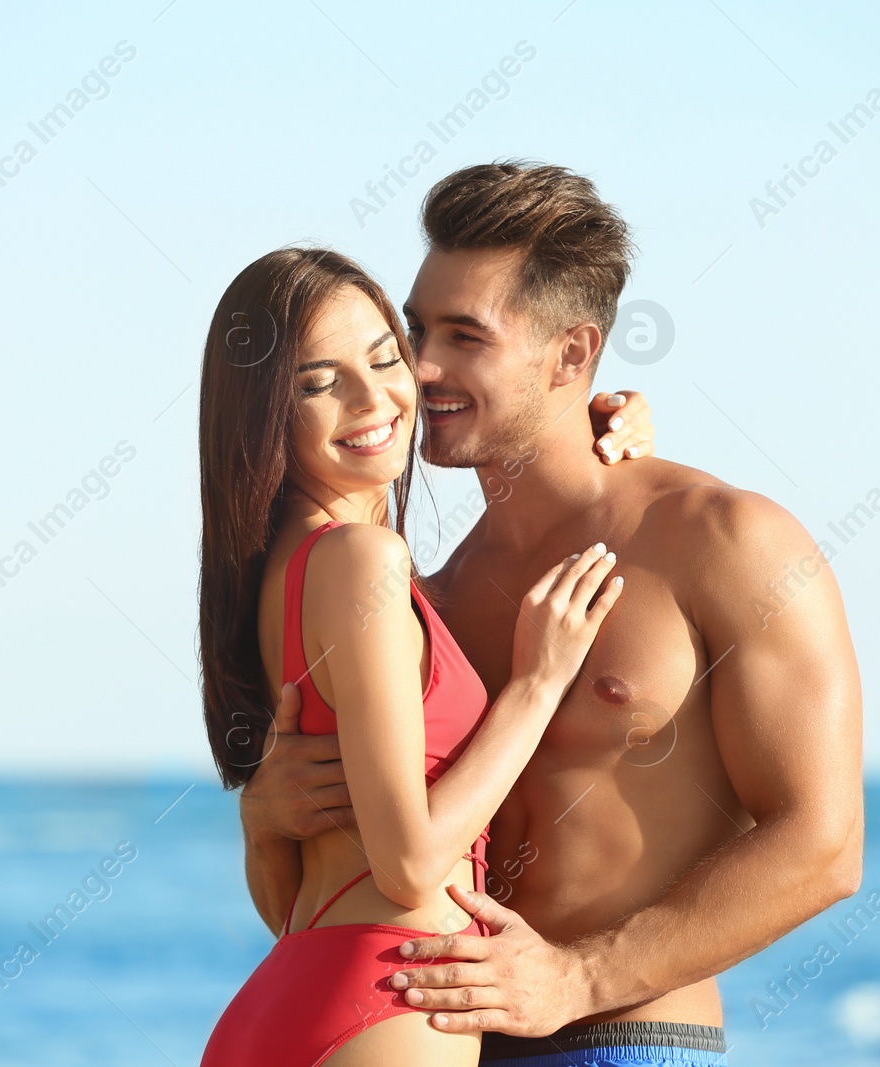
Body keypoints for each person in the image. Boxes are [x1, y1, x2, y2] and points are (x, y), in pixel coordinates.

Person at [241, 162, 865, 1066]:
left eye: (465, 335)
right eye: (415, 327)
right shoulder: (428, 600)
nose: (417, 366)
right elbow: (352, 903)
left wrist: (578, 977)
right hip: (438, 1041)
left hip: (628, 1036)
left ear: (572, 355)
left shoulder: (728, 542)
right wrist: (265, 818)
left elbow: (824, 842)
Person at [196, 247, 644, 1065]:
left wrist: (588, 418)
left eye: (383, 357)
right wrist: (538, 683)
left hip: (306, 994)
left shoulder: (281, 575)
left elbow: (303, 896)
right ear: (264, 412)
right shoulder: (361, 562)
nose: (376, 398)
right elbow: (407, 867)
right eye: (317, 382)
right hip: (386, 1000)